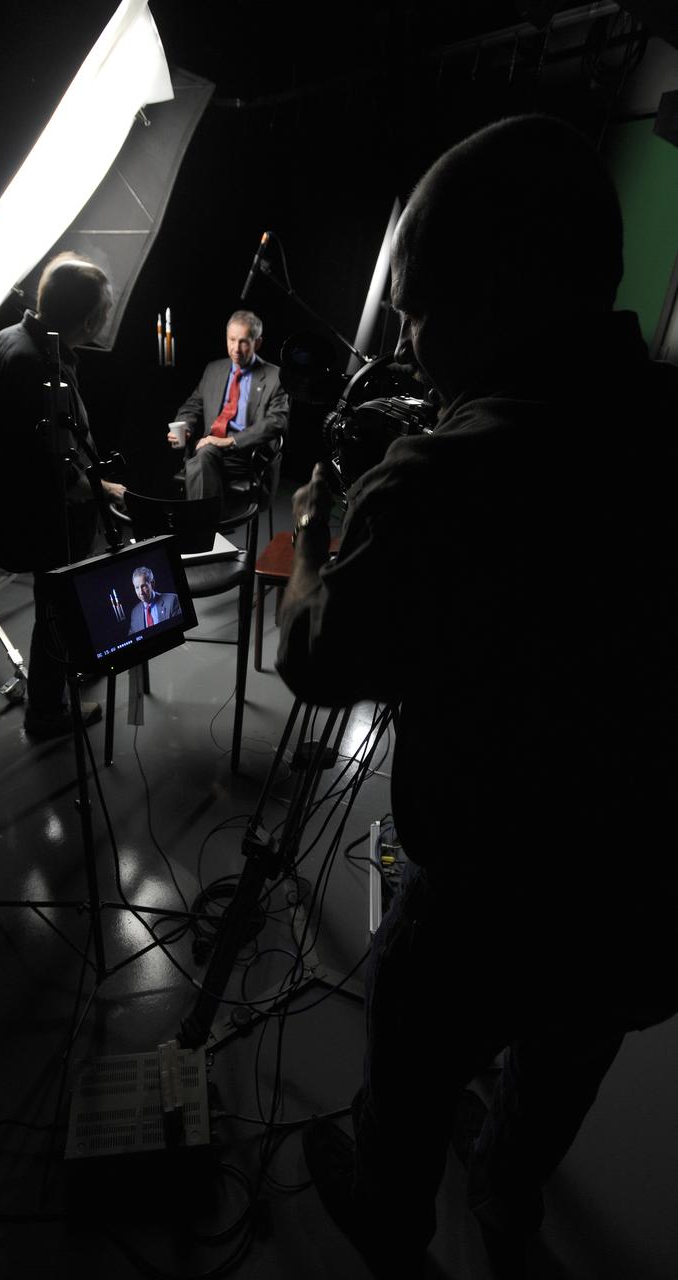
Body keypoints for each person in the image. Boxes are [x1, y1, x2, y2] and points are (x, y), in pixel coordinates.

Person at [276, 114, 678, 1279]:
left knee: (406, 1071)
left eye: (414, 308)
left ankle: (393, 1227)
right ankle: (507, 1196)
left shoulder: (443, 475)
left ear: (491, 287)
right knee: (567, 1054)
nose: (406, 342)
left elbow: (319, 658)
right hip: (649, 893)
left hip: (489, 907)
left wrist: (314, 537)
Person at [0, 251, 126, 738]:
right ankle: (46, 709)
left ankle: (60, 675)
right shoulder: (39, 367)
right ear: (87, 319)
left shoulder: (8, 339)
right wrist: (102, 487)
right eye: (102, 315)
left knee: (54, 606)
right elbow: (54, 470)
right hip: (47, 517)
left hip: (21, 507)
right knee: (57, 606)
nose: (104, 322)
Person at [169, 309, 289, 511]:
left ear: (257, 343)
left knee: (199, 460)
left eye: (243, 341)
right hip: (211, 448)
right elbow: (193, 405)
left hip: (247, 454)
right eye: (232, 340)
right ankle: (210, 530)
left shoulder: (275, 376)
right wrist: (185, 426)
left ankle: (203, 532)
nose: (236, 348)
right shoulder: (214, 369)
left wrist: (229, 441)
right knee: (203, 454)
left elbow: (277, 422)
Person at [129, 566, 181, 632]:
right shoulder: (135, 612)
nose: (141, 592)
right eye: (137, 587)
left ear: (152, 584)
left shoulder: (172, 600)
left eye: (143, 586)